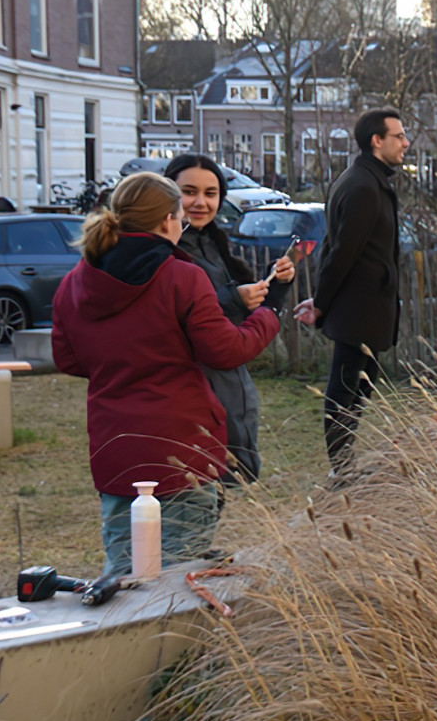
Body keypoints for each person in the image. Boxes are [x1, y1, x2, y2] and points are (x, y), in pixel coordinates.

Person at [51, 172, 280, 575]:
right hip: (181, 447)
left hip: (116, 447)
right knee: (176, 581)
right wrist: (267, 317)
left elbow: (68, 359)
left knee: (123, 575)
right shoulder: (182, 277)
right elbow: (226, 350)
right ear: (165, 222)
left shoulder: (74, 283)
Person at [165, 153, 296, 481]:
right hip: (191, 396)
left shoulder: (212, 242)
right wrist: (233, 297)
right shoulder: (166, 250)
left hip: (224, 389)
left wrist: (273, 285)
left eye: (210, 194)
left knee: (209, 504)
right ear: (167, 193)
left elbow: (227, 319)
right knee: (194, 504)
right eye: (189, 191)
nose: (200, 202)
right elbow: (180, 314)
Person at [295, 109, 405, 474]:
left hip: (363, 310)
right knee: (345, 394)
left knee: (356, 394)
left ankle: (345, 467)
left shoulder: (366, 180)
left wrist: (324, 302)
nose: (405, 143)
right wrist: (322, 304)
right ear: (377, 140)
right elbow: (341, 252)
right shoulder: (362, 186)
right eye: (398, 136)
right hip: (359, 312)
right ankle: (341, 471)